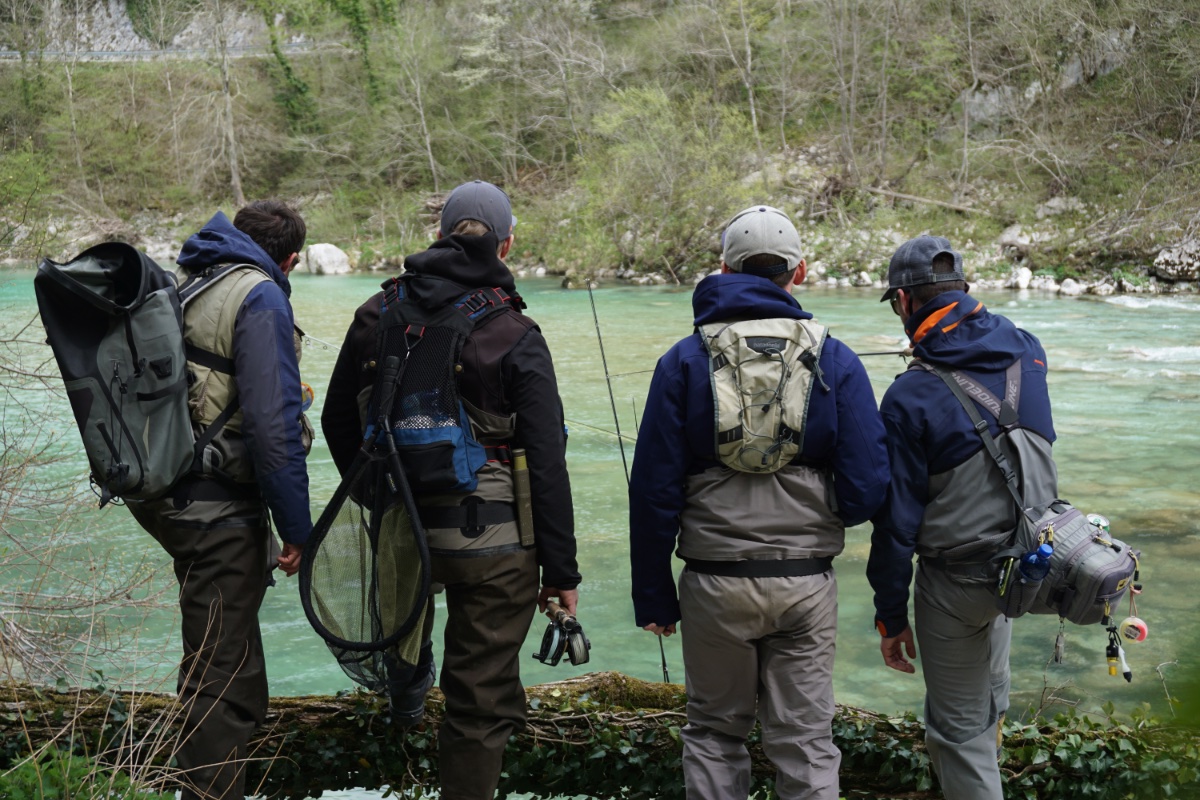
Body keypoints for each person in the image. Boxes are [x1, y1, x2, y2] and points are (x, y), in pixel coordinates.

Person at [321, 179, 579, 800]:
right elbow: (546, 459)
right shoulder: (515, 331)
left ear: (439, 237)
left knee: (404, 625)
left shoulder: (375, 314)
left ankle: (406, 686)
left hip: (403, 528)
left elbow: (336, 422)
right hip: (497, 545)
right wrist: (561, 573)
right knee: (479, 705)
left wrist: (379, 502)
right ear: (507, 245)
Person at [628, 206, 890, 799]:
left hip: (713, 585)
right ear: (799, 273)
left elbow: (653, 491)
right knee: (804, 742)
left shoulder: (684, 360)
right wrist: (831, 509)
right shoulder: (836, 359)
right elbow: (869, 485)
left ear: (723, 268)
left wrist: (653, 592)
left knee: (716, 735)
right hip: (805, 583)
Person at [127, 201, 313, 800]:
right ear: (289, 258)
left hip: (168, 489)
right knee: (221, 677)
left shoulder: (194, 277)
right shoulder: (259, 295)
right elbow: (272, 426)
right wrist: (297, 528)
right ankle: (206, 790)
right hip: (214, 505)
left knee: (225, 653)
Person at [867, 235, 1058, 799]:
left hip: (958, 580)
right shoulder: (1028, 349)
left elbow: (896, 523)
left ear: (903, 302)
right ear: (966, 291)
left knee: (957, 734)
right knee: (988, 698)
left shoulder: (909, 397)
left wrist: (888, 615)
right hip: (1033, 559)